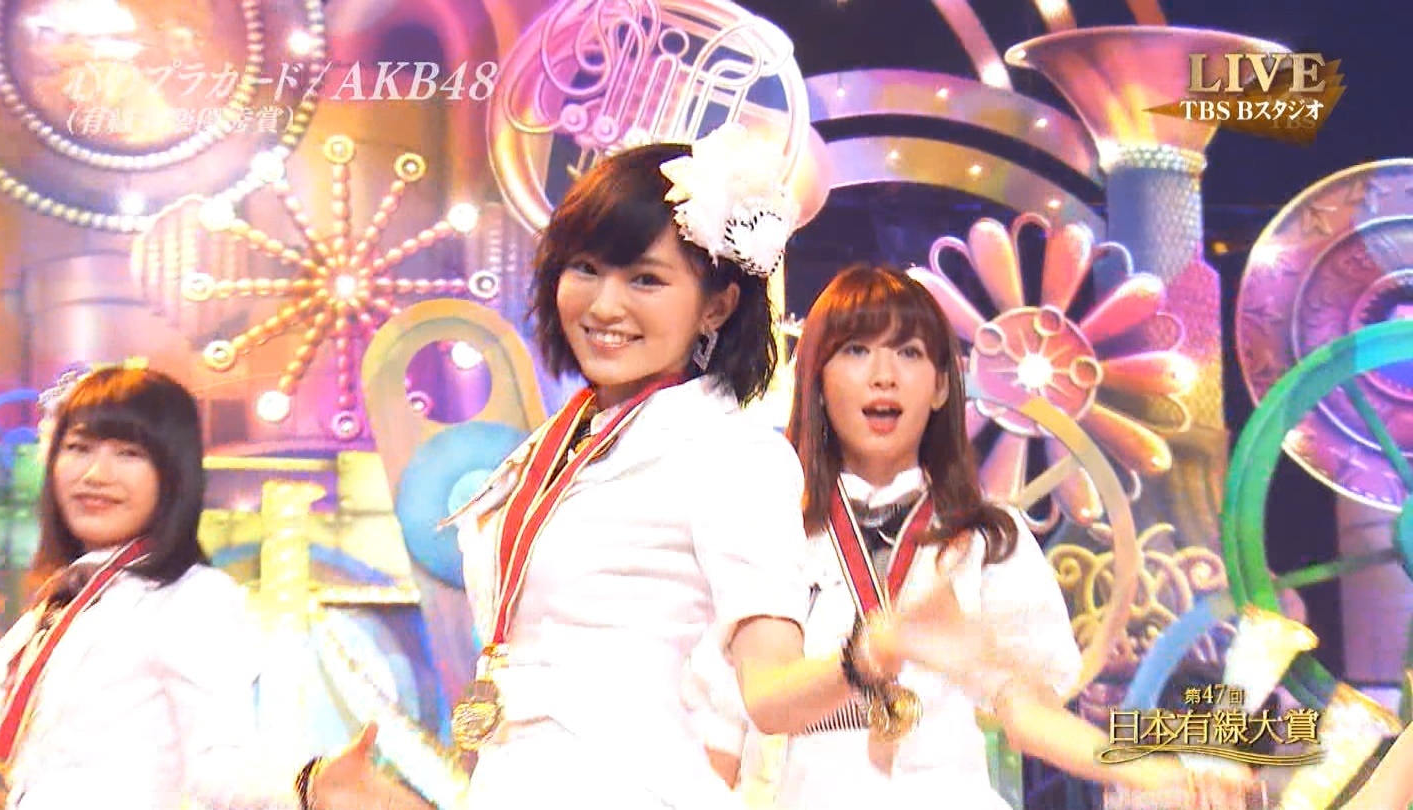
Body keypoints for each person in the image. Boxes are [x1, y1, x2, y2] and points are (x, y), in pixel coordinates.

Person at [445, 126, 954, 810]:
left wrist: (865, 658)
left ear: (717, 304)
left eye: (645, 279)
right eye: (585, 268)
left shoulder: (731, 454)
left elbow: (770, 694)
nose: (604, 305)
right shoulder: (555, 443)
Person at [685, 264, 1254, 810]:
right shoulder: (772, 529)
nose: (884, 374)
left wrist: (1161, 773)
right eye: (856, 351)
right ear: (817, 379)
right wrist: (873, 651)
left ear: (940, 385)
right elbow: (728, 729)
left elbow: (1028, 712)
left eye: (909, 352)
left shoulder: (989, 539)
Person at [0, 365, 429, 809]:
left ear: (172, 474)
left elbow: (219, 765)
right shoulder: (62, 600)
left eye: (128, 453)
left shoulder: (192, 597)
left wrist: (310, 786)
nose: (96, 474)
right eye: (79, 448)